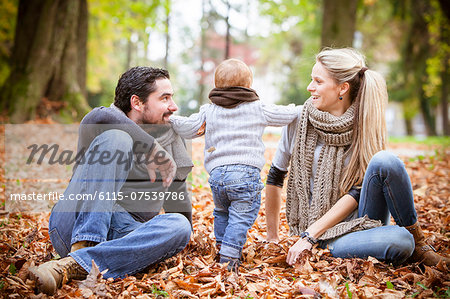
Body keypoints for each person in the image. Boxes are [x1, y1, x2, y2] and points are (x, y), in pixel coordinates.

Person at [265, 48, 450, 267]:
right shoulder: (299, 121)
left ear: (342, 88)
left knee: (386, 161)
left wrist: (309, 235)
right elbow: (275, 176)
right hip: (327, 238)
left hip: (361, 220)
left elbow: (359, 190)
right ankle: (402, 243)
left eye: (318, 81)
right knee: (400, 241)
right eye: (311, 80)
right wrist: (273, 238)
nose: (310, 87)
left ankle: (419, 244)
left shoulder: (364, 122)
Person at [29, 67, 194, 295]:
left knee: (179, 226)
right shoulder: (102, 125)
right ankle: (87, 244)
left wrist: (184, 237)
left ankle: (73, 265)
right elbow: (99, 114)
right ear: (137, 103)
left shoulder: (171, 140)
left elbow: (178, 199)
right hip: (74, 222)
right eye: (164, 98)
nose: (173, 106)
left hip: (121, 233)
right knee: (118, 138)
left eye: (172, 97)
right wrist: (149, 146)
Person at [169, 58, 301, 271]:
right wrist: (303, 108)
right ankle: (228, 259)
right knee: (242, 216)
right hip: (245, 174)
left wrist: (170, 119)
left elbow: (189, 129)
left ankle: (221, 246)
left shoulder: (208, 110)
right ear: (248, 85)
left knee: (222, 212)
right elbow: (285, 114)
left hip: (217, 176)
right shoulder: (257, 108)